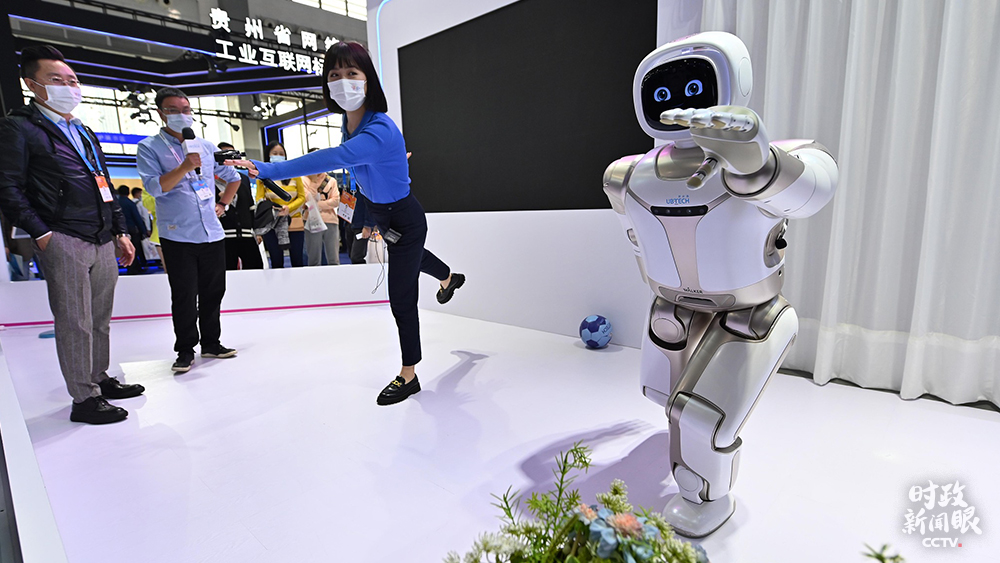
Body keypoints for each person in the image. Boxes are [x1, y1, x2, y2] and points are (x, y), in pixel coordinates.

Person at [227, 41, 466, 406]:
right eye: (334, 74)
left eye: (351, 73)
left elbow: (334, 157)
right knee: (413, 256)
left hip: (404, 216)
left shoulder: (378, 130)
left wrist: (268, 168)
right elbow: (358, 164)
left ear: (368, 80)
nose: (342, 81)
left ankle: (409, 374)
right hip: (383, 213)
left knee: (401, 296)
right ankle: (449, 278)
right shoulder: (350, 123)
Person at [0, 45, 143, 424]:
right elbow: (8, 186)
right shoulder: (20, 127)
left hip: (101, 236)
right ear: (32, 84)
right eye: (56, 80)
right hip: (61, 235)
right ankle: (84, 398)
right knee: (74, 320)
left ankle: (98, 377)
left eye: (73, 80)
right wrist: (41, 233)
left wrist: (120, 230)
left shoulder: (82, 130)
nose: (68, 87)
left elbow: (103, 182)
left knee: (99, 316)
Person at [136, 87, 241, 373]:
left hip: (212, 232)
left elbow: (233, 177)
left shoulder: (205, 146)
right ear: (161, 113)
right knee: (184, 294)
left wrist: (223, 203)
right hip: (177, 234)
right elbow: (155, 187)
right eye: (173, 110)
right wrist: (184, 166)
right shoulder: (149, 147)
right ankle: (185, 349)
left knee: (213, 291)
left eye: (185, 110)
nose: (181, 115)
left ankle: (211, 343)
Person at [256, 142, 306, 268]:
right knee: (276, 260)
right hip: (272, 222)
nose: (278, 156)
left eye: (281, 154)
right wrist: (273, 209)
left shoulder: (294, 174)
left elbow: (302, 197)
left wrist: (289, 208)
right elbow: (259, 199)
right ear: (268, 155)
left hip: (294, 221)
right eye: (275, 153)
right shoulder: (262, 177)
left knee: (297, 260)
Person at [217, 142, 263, 270]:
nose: (230, 160)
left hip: (246, 234)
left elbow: (250, 206)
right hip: (223, 237)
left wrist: (257, 232)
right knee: (226, 272)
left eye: (233, 156)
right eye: (225, 155)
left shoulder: (243, 179)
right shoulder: (208, 181)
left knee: (255, 268)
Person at [302, 148, 340, 266]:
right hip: (311, 220)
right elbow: (307, 199)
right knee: (313, 258)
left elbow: (336, 201)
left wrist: (316, 205)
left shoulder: (331, 180)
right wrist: (314, 181)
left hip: (330, 220)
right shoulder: (303, 179)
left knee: (333, 258)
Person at [117, 185, 147, 273]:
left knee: (125, 249)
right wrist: (143, 231)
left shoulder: (116, 203)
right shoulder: (130, 203)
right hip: (132, 229)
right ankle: (135, 267)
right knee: (134, 248)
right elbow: (137, 218)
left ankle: (129, 266)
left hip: (120, 230)